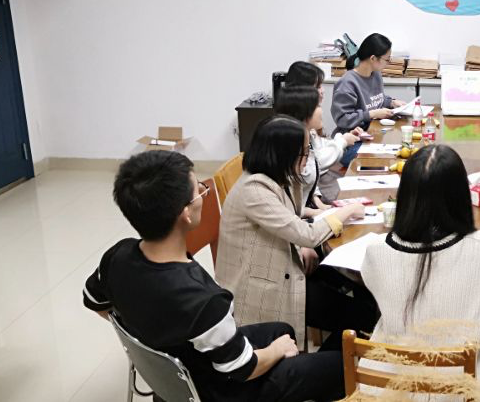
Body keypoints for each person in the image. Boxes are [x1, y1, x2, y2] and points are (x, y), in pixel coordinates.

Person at [82, 150, 345, 402]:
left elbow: (94, 301)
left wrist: (150, 336)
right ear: (186, 214)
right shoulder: (202, 299)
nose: (202, 193)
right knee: (339, 366)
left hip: (179, 375)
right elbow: (244, 368)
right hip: (220, 391)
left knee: (283, 330)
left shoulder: (116, 255)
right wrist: (275, 351)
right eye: (198, 190)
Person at [361, 144, 480, 401]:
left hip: (393, 388)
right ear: (461, 197)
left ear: (405, 196)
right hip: (468, 390)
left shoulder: (376, 251)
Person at [215, 115, 375, 351]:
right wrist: (347, 211)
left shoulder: (275, 178)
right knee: (363, 315)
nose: (307, 158)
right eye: (304, 153)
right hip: (267, 287)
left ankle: (345, 350)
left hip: (287, 265)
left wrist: (316, 226)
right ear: (283, 155)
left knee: (356, 286)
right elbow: (306, 234)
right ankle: (334, 362)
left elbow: (290, 216)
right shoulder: (254, 189)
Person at [274, 82, 360, 201]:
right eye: (317, 106)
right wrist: (342, 141)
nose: (321, 111)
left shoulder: (310, 133)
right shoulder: (292, 146)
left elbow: (312, 174)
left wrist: (343, 138)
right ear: (303, 111)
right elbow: (316, 165)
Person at [331, 33, 407, 166]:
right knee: (388, 161)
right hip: (352, 142)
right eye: (387, 59)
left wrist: (391, 102)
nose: (388, 62)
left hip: (373, 134)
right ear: (373, 58)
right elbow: (342, 119)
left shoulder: (375, 75)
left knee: (402, 149)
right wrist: (371, 114)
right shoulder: (347, 83)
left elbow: (376, 100)